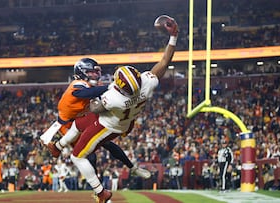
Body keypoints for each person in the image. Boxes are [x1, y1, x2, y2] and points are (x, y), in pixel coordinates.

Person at [49, 16, 178, 203]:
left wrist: (97, 91)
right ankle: (58, 146)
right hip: (125, 120)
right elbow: (165, 62)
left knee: (77, 156)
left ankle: (101, 192)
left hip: (108, 125)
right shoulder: (147, 84)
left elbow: (95, 106)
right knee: (79, 122)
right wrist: (173, 37)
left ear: (119, 86)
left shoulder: (113, 97)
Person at [41, 57, 150, 179]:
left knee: (108, 143)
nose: (96, 75)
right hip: (68, 124)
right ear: (82, 73)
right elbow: (85, 93)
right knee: (88, 154)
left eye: (97, 72)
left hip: (82, 119)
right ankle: (97, 187)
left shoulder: (94, 86)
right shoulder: (77, 85)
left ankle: (132, 168)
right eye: (92, 72)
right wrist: (109, 87)